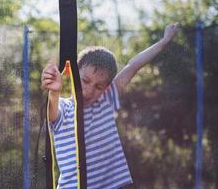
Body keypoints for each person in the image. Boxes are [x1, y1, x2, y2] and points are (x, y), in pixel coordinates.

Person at [41, 22, 180, 189]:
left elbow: (133, 66)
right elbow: (51, 113)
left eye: (99, 86)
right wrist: (54, 92)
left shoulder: (105, 100)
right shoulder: (64, 108)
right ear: (74, 73)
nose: (90, 90)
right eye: (85, 81)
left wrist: (163, 41)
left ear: (106, 88)